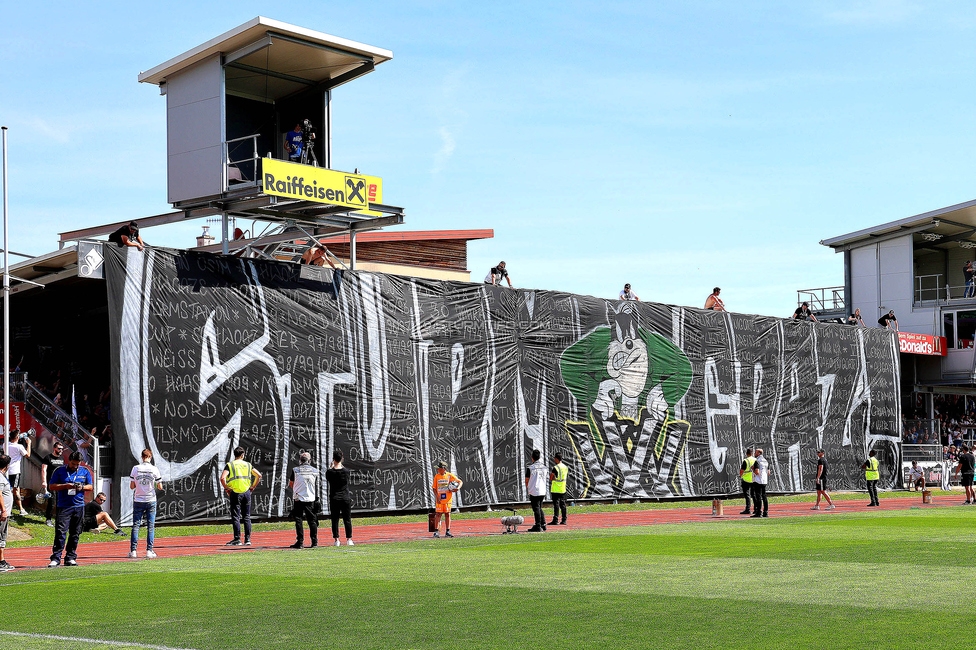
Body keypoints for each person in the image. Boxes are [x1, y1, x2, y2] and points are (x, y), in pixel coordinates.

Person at [48, 451, 93, 567]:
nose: (75, 466)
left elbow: (90, 486)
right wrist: (66, 486)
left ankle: (70, 557)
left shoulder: (85, 471)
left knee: (75, 533)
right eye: (73, 464)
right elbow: (51, 486)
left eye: (77, 464)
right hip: (64, 507)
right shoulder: (59, 471)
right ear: (69, 461)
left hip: (78, 507)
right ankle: (56, 558)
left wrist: (81, 487)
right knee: (60, 533)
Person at [220, 446, 261, 546]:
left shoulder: (230, 465)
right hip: (246, 492)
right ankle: (247, 539)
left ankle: (237, 539)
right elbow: (259, 475)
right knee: (247, 516)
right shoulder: (248, 464)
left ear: (235, 455)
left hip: (235, 492)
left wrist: (227, 488)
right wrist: (253, 487)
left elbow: (222, 478)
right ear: (242, 455)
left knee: (236, 516)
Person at [129, 448, 163, 559]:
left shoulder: (135, 468)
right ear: (150, 457)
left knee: (136, 526)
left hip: (138, 499)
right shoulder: (154, 469)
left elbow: (132, 486)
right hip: (150, 499)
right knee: (151, 526)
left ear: (142, 457)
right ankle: (149, 551)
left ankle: (133, 551)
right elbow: (160, 486)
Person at [289, 451, 319, 549]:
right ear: (309, 460)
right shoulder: (315, 471)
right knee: (312, 520)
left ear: (300, 460)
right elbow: (316, 484)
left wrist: (297, 489)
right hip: (310, 498)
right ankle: (314, 542)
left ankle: (300, 542)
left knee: (298, 520)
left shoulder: (295, 470)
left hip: (298, 498)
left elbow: (291, 483)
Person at [326, 450, 353, 546]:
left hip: (334, 498)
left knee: (335, 519)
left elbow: (328, 479)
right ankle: (349, 539)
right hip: (345, 497)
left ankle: (336, 539)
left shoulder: (330, 472)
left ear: (333, 459)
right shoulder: (346, 471)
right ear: (341, 458)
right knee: (347, 519)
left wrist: (331, 467)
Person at [431, 461, 462, 538]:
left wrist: (457, 488)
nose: (438, 470)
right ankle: (436, 531)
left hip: (448, 499)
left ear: (444, 468)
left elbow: (460, 481)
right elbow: (434, 488)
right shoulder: (436, 476)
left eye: (439, 468)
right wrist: (437, 497)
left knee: (447, 514)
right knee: (438, 514)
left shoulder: (449, 475)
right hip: (439, 499)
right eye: (437, 469)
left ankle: (448, 531)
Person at [6, 429, 31, 516]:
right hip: (15, 471)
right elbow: (28, 455)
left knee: (9, 489)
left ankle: (9, 508)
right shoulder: (19, 447)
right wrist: (28, 444)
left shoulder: (5, 444)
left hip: (6, 471)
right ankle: (21, 509)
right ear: (17, 437)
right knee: (15, 490)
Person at [40, 441, 66, 526]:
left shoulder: (61, 459)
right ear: (54, 448)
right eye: (59, 448)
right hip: (51, 483)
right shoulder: (48, 458)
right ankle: (48, 519)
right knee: (52, 502)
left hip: (60, 484)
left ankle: (59, 519)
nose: (61, 450)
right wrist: (44, 481)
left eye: (62, 449)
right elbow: (44, 470)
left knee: (60, 502)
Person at [525, 449, 548, 532]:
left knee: (536, 508)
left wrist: (528, 487)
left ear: (532, 458)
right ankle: (543, 524)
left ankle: (538, 525)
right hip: (542, 490)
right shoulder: (544, 467)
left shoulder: (530, 468)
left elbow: (527, 480)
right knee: (539, 507)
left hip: (534, 490)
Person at [0, 454, 14, 571]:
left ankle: (2, 560)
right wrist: (3, 510)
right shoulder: (0, 477)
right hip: (2, 513)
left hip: (5, 512)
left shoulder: (2, 476)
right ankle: (0, 561)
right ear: (6, 465)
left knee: (2, 536)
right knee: (1, 536)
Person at [548, 452, 568, 526]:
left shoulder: (555, 467)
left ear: (556, 459)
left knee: (556, 505)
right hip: (563, 488)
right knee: (563, 505)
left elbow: (551, 477)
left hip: (556, 488)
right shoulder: (565, 467)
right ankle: (564, 519)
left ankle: (555, 520)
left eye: (554, 458)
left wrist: (554, 479)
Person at [750, 448, 770, 518]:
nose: (754, 453)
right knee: (764, 496)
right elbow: (768, 472)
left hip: (758, 480)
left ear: (759, 453)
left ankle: (759, 512)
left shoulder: (757, 461)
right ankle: (766, 512)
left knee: (758, 496)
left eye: (755, 452)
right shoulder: (766, 461)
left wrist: (752, 468)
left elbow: (757, 472)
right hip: (764, 480)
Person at [739, 448, 755, 515]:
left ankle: (748, 509)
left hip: (746, 479)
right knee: (754, 495)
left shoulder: (746, 460)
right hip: (754, 479)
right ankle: (756, 508)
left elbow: (742, 470)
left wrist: (741, 476)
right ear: (752, 453)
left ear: (746, 453)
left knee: (747, 495)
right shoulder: (755, 460)